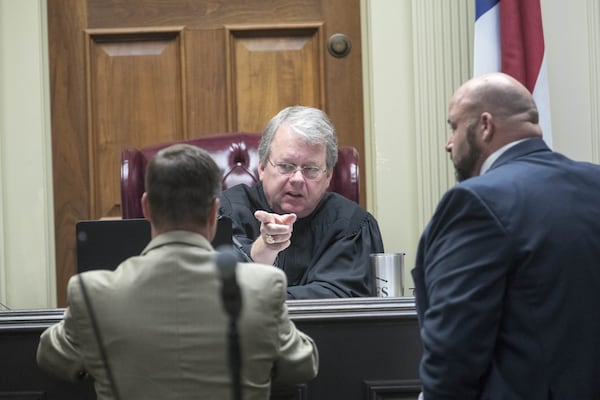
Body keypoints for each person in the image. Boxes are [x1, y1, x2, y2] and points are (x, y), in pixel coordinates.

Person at [36, 144, 319, 400]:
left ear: (146, 208)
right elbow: (303, 364)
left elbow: (52, 357)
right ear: (213, 212)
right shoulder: (263, 288)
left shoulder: (92, 294)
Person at [412, 72, 600, 399]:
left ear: (485, 126)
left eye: (454, 126)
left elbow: (454, 348)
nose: (449, 143)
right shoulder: (594, 182)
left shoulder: (476, 202)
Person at [219, 105, 385, 299]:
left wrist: (264, 297)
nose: (297, 179)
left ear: (328, 176)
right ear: (262, 168)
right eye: (286, 166)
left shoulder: (353, 226)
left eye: (311, 169)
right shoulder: (223, 213)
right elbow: (215, 291)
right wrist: (262, 249)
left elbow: (343, 301)